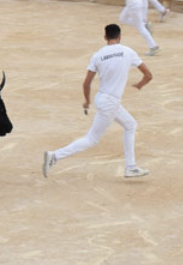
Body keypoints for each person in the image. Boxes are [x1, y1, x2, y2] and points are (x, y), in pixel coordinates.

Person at [42, 23, 152, 180]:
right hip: (111, 103)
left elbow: (86, 83)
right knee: (92, 139)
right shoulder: (128, 52)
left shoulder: (98, 55)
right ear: (120, 37)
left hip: (102, 99)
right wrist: (140, 85)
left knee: (130, 124)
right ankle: (54, 156)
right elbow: (148, 75)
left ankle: (131, 167)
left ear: (105, 37)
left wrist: (87, 101)